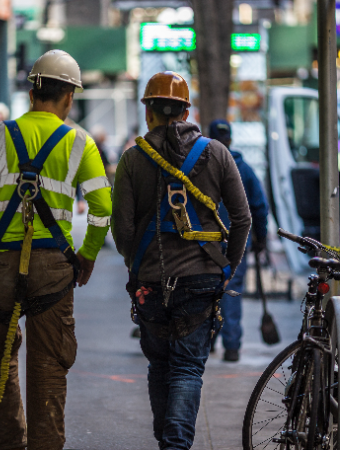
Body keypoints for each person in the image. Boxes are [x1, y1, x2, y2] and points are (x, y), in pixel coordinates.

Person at [0, 49, 112, 450]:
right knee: (47, 367)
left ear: (31, 94)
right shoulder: (81, 143)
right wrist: (88, 254)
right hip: (54, 268)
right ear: (69, 98)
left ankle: (12, 443)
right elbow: (101, 210)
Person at [111, 71, 251, 450]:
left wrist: (135, 264)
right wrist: (228, 268)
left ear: (148, 111)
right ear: (187, 110)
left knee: (160, 366)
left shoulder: (132, 160)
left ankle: (168, 442)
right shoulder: (217, 153)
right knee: (188, 368)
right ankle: (175, 445)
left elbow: (121, 230)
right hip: (202, 279)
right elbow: (243, 218)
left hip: (151, 281)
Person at [209, 119, 269, 362]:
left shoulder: (202, 166)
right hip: (237, 242)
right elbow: (260, 207)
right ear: (230, 140)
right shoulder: (244, 169)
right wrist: (261, 239)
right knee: (231, 291)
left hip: (206, 243)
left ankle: (208, 339)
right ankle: (231, 347)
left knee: (206, 290)